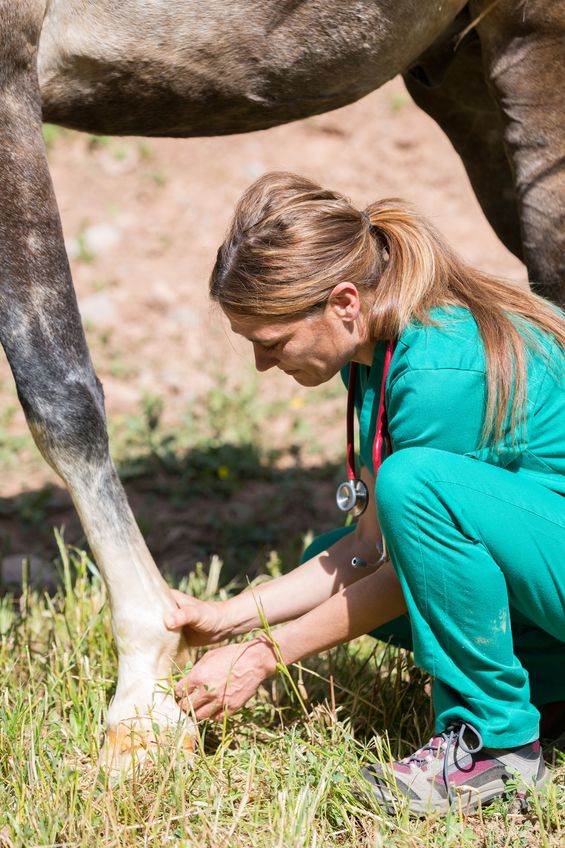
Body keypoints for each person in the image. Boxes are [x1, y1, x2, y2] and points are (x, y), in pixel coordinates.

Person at [164, 172, 565, 814]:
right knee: (335, 546)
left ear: (344, 302)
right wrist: (230, 617)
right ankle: (549, 688)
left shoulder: (438, 370)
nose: (263, 366)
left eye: (271, 342)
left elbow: (401, 570)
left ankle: (494, 748)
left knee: (414, 487)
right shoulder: (387, 348)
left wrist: (264, 655)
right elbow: (364, 549)